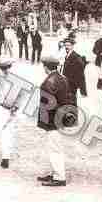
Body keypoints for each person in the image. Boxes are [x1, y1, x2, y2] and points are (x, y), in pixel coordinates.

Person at [36, 55, 71, 187]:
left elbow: (47, 104)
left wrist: (44, 122)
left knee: (54, 148)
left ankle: (59, 177)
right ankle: (54, 172)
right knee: (55, 147)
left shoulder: (49, 81)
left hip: (52, 120)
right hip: (61, 117)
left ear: (46, 67)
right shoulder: (62, 78)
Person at [61, 38, 87, 109]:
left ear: (72, 46)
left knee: (71, 104)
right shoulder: (67, 55)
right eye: (65, 45)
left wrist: (83, 90)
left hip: (72, 85)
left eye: (68, 45)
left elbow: (81, 75)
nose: (66, 47)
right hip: (66, 84)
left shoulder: (76, 57)